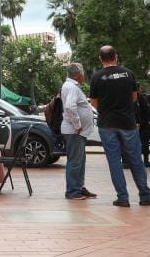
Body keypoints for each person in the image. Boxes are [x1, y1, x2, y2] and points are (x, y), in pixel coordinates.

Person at [89, 45, 150, 207]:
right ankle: (145, 195)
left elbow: (93, 101)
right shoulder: (128, 73)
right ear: (116, 56)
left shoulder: (96, 77)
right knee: (135, 159)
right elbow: (134, 97)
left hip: (107, 123)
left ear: (100, 59)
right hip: (128, 122)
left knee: (114, 161)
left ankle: (123, 197)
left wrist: (106, 109)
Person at [61, 63, 96, 200]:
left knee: (79, 161)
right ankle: (72, 191)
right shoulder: (71, 87)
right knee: (75, 161)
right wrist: (77, 124)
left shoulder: (71, 86)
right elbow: (70, 107)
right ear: (79, 74)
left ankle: (79, 187)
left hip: (77, 131)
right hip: (74, 131)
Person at [135, 88, 150, 168]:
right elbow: (147, 110)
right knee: (144, 143)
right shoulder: (141, 98)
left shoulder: (129, 97)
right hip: (143, 124)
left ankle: (139, 161)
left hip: (135, 124)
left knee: (136, 144)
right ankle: (145, 161)